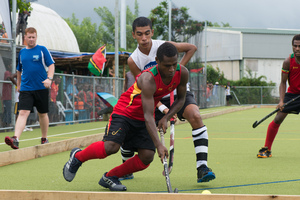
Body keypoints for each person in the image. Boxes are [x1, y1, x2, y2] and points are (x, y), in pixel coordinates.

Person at [62, 42, 189, 191]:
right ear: (157, 61)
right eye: (167, 65)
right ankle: (78, 157)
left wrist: (166, 118)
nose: (172, 69)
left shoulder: (182, 73)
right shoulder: (148, 79)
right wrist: (159, 145)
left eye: (174, 64)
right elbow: (149, 116)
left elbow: (181, 99)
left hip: (143, 117)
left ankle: (110, 177)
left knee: (147, 156)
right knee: (111, 147)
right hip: (125, 112)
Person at [120, 17, 215, 183]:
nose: (144, 38)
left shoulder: (164, 46)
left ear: (152, 32)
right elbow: (142, 88)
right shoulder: (133, 60)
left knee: (195, 115)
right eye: (140, 34)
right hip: (154, 98)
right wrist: (163, 109)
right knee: (132, 131)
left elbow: (191, 48)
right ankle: (125, 161)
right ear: (134, 35)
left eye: (147, 33)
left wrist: (176, 71)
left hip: (177, 92)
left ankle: (202, 167)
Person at [4, 27, 55, 149]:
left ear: (36, 37)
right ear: (25, 38)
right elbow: (19, 70)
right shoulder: (22, 52)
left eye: (33, 37)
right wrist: (19, 85)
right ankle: (15, 139)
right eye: (29, 37)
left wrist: (49, 78)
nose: (31, 39)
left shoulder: (42, 50)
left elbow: (51, 65)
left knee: (42, 114)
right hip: (26, 89)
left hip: (41, 87)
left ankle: (44, 138)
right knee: (23, 113)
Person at [257, 34, 300, 158]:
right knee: (277, 119)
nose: (297, 49)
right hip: (292, 94)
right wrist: (281, 101)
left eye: (299, 46)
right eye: (295, 46)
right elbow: (283, 82)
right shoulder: (288, 62)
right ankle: (267, 149)